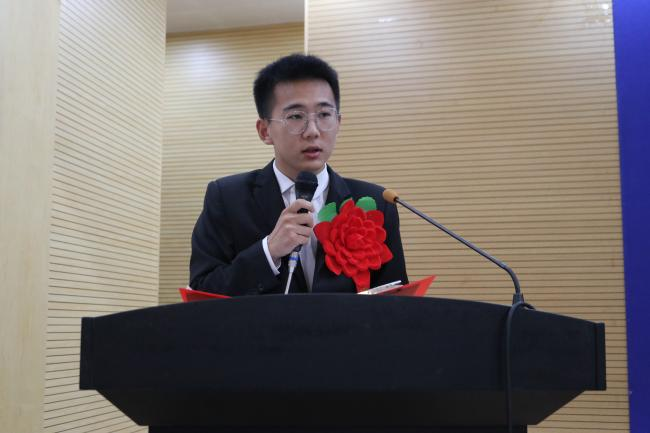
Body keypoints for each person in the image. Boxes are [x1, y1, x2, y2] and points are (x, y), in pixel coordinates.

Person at [189, 54, 407, 296]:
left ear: (338, 122)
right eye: (295, 117)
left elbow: (396, 300)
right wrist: (269, 251)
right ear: (265, 131)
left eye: (324, 115)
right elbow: (203, 291)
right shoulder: (227, 198)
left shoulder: (377, 202)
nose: (312, 131)